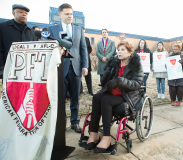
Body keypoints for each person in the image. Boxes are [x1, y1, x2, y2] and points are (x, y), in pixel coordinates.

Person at [85, 41, 144, 153]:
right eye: (119, 50)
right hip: (112, 91)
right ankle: (94, 133)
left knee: (106, 100)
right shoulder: (115, 63)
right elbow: (105, 81)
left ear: (130, 52)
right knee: (97, 97)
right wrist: (107, 74)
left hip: (127, 95)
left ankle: (106, 137)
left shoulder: (136, 65)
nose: (119, 52)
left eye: (123, 50)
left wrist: (120, 81)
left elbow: (136, 84)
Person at [48, 3, 88, 133]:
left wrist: (85, 66)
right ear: (60, 15)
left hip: (75, 68)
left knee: (75, 97)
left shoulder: (78, 30)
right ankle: (61, 122)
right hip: (60, 68)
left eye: (71, 14)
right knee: (60, 97)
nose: (70, 16)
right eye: (67, 14)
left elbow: (83, 49)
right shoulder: (52, 29)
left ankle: (75, 122)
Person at [0, 4, 37, 69]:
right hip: (8, 69)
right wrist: (1, 69)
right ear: (13, 13)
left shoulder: (31, 32)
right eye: (21, 12)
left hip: (27, 71)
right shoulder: (2, 27)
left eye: (26, 13)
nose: (24, 14)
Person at [80, 27, 94, 96]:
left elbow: (90, 49)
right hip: (78, 60)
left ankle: (90, 90)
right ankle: (80, 90)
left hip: (86, 60)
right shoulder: (75, 38)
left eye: (83, 31)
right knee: (78, 76)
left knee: (88, 76)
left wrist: (84, 53)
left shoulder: (87, 39)